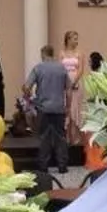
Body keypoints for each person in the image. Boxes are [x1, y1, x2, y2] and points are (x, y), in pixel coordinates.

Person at [24, 44, 71, 173]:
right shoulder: (62, 68)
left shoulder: (38, 68)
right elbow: (68, 90)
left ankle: (43, 166)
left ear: (43, 54)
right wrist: (68, 107)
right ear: (52, 53)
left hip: (43, 108)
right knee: (61, 137)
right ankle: (62, 166)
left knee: (44, 137)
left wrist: (28, 99)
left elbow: (27, 87)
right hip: (59, 108)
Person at [59, 30, 85, 138]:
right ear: (68, 39)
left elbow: (81, 69)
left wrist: (74, 81)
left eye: (77, 39)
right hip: (64, 82)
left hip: (76, 82)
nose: (76, 41)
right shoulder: (62, 53)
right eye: (74, 39)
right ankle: (67, 134)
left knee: (75, 108)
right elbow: (60, 68)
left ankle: (76, 135)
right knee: (66, 107)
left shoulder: (79, 53)